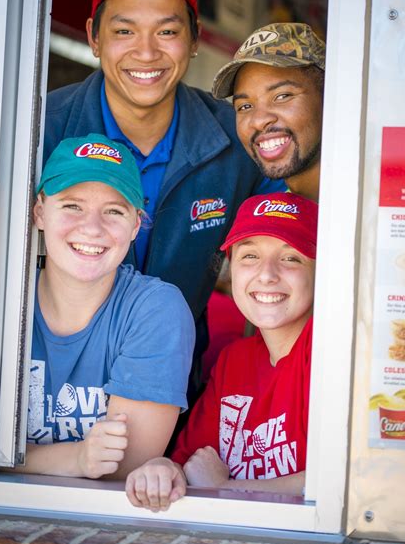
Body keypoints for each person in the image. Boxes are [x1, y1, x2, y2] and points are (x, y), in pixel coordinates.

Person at [44, 0, 282, 398]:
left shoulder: (237, 137)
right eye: (124, 31)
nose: (147, 52)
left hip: (177, 390)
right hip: (51, 391)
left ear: (194, 38)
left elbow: (292, 242)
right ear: (94, 37)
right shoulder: (39, 128)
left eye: (168, 31)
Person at [125, 191, 317, 511]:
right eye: (250, 256)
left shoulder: (328, 351)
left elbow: (349, 480)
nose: (267, 274)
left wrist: (226, 488)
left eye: (291, 257)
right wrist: (163, 469)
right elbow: (191, 463)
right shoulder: (235, 361)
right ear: (231, 268)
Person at [20, 134, 194, 479]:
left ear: (135, 225)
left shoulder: (155, 310)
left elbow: (122, 468)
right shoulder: (4, 299)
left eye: (114, 211)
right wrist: (76, 458)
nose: (92, 228)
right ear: (40, 212)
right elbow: (94, 462)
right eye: (72, 205)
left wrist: (16, 458)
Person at [212, 23, 325, 202]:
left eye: (282, 96)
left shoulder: (371, 202)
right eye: (245, 106)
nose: (258, 120)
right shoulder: (278, 214)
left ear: (329, 96)